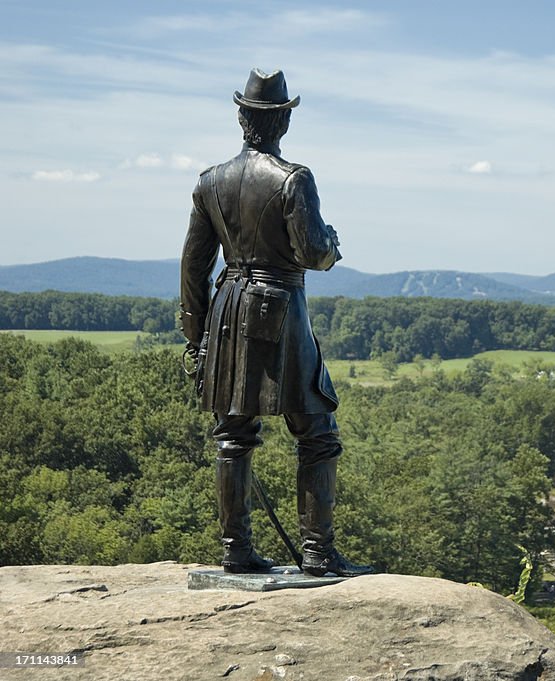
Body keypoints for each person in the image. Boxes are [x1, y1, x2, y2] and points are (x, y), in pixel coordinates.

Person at [179, 68, 372, 578]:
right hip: (280, 309)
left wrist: (195, 340)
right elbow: (312, 252)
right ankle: (316, 551)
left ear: (243, 117)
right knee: (317, 429)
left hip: (226, 310)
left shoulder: (210, 182)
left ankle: (235, 549)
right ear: (282, 121)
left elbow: (194, 267)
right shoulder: (293, 178)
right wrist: (331, 240)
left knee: (234, 432)